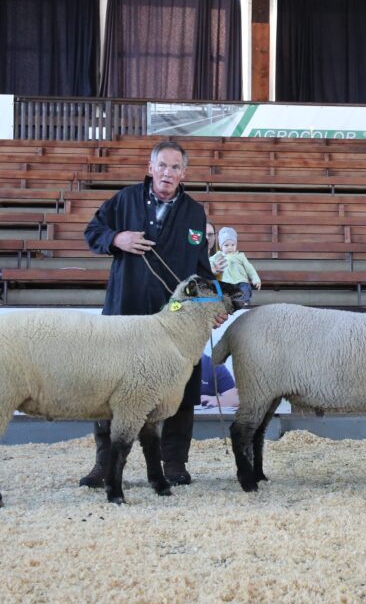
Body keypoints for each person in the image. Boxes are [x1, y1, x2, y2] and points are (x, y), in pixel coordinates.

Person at [81, 140, 228, 487]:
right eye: (162, 165)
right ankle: (104, 463)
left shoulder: (194, 211)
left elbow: (201, 270)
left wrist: (213, 306)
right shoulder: (124, 200)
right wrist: (117, 238)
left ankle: (174, 461)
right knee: (110, 384)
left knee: (182, 385)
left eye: (175, 167)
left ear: (184, 173)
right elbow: (92, 232)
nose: (168, 172)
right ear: (150, 168)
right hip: (126, 308)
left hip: (177, 318)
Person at [211, 226, 261, 303]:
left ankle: (243, 302)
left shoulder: (240, 256)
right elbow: (210, 261)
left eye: (232, 245)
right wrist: (212, 267)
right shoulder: (219, 255)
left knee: (245, 289)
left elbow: (249, 268)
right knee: (222, 292)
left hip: (241, 281)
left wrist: (256, 280)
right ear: (221, 246)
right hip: (226, 282)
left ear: (236, 244)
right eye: (226, 245)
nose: (230, 248)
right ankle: (229, 303)